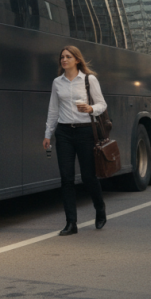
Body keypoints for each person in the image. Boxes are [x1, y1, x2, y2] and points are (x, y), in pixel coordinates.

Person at [42, 46, 107, 236]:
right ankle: (71, 223)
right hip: (63, 133)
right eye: (62, 57)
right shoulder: (57, 82)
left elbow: (102, 104)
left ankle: (100, 208)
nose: (64, 60)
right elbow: (53, 109)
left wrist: (90, 109)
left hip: (85, 132)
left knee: (88, 177)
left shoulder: (88, 79)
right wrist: (48, 134)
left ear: (77, 60)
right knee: (66, 178)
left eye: (68, 57)